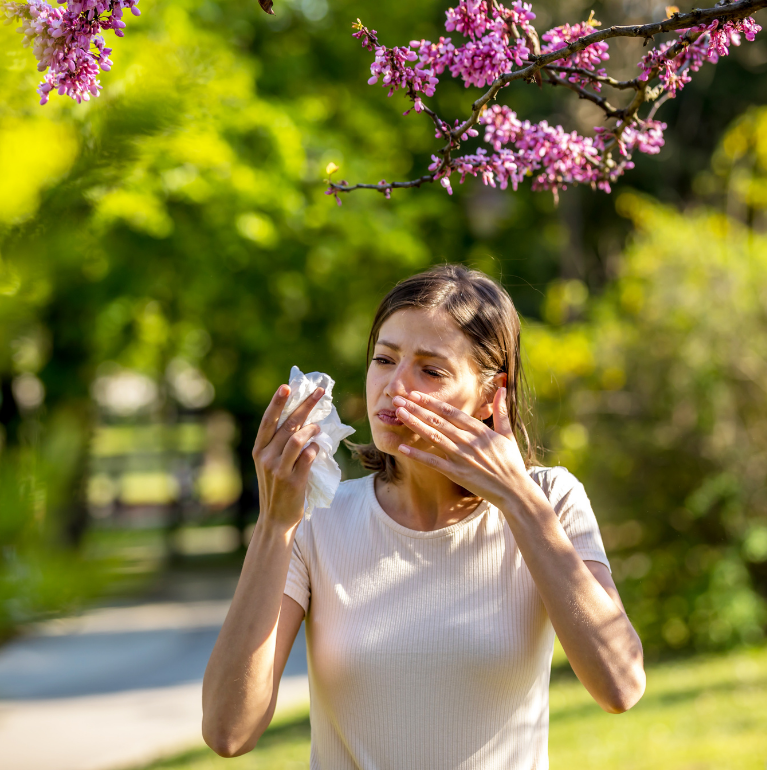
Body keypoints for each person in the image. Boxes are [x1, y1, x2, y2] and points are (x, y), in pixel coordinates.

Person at [201, 264, 645, 770]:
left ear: (489, 394)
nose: (393, 385)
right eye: (384, 359)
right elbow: (227, 731)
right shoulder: (318, 521)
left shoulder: (550, 500)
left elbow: (621, 686)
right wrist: (274, 525)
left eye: (430, 370)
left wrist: (519, 501)